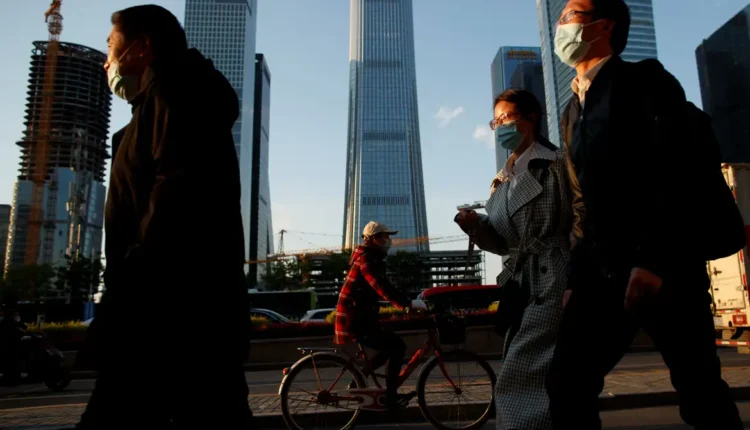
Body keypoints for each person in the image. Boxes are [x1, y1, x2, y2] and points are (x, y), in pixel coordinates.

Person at [545, 1, 743, 429]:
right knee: (566, 384)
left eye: (569, 15)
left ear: (603, 25)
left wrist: (653, 260)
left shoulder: (643, 80)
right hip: (600, 272)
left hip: (663, 268)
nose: (559, 25)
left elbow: (676, 169)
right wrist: (576, 280)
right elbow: (583, 204)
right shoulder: (570, 111)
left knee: (700, 390)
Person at [75, 5, 252, 429]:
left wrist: (131, 294)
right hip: (179, 318)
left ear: (142, 47)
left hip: (166, 319)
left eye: (111, 47)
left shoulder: (177, 100)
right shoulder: (156, 110)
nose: (107, 61)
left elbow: (172, 200)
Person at [455, 89, 576, 430]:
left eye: (507, 118)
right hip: (520, 285)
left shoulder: (557, 165)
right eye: (497, 121)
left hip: (554, 277)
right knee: (535, 376)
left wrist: (577, 276)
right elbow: (504, 245)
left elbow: (580, 221)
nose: (501, 127)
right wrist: (476, 226)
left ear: (531, 118)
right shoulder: (501, 179)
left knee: (521, 375)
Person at [333, 221, 419, 411]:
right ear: (372, 239)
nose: (388, 240)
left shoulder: (372, 257)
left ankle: (359, 378)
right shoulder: (366, 259)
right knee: (396, 347)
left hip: (362, 315)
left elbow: (385, 285)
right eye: (384, 236)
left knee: (390, 347)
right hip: (355, 318)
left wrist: (406, 302)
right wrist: (405, 304)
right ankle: (390, 397)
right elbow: (380, 286)